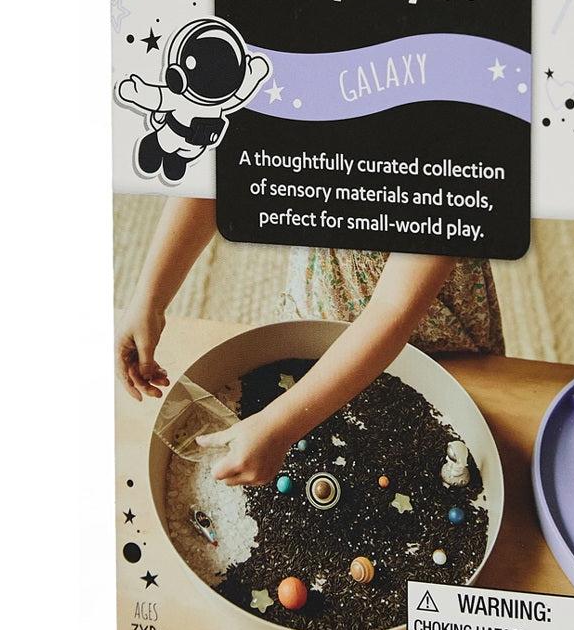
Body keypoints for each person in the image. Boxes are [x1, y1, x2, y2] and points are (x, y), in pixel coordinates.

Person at [116, 196, 503, 487]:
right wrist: (150, 299)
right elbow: (212, 175)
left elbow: (394, 308)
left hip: (428, 326)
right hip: (325, 293)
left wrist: (278, 426)